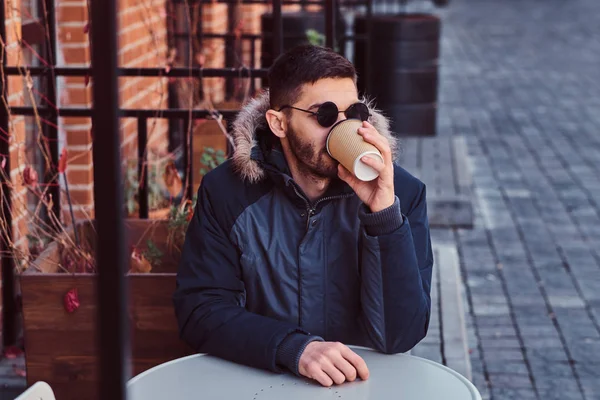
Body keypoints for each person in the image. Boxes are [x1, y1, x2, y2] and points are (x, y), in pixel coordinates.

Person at [173, 44, 433, 387]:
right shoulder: (228, 193)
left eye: (353, 112)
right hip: (262, 384)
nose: (344, 128)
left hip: (366, 386)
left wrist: (383, 212)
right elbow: (202, 310)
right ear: (279, 123)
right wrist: (292, 347)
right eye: (324, 115)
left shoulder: (402, 194)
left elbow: (400, 336)